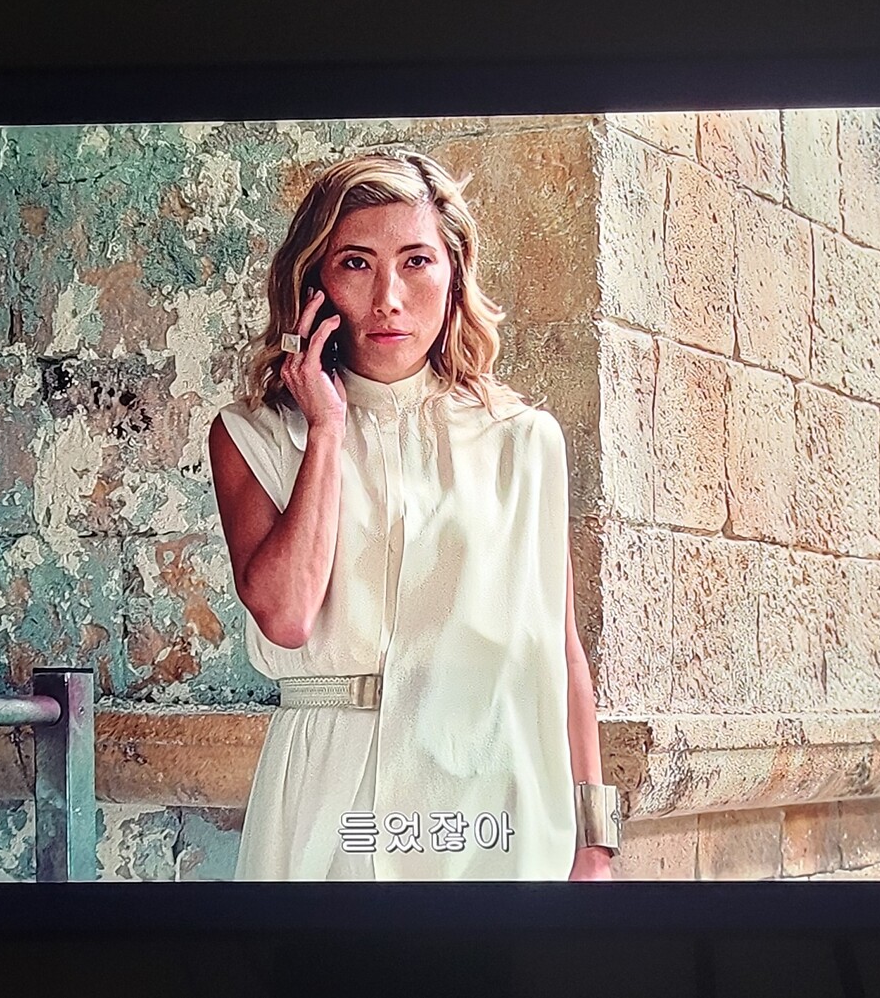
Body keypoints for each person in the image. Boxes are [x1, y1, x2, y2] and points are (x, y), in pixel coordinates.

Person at [207, 150, 620, 882]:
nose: (388, 298)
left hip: (492, 801)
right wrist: (325, 430)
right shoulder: (254, 435)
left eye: (416, 261)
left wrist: (595, 841)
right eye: (356, 264)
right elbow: (287, 616)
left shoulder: (523, 439)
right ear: (316, 282)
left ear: (453, 273)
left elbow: (560, 651)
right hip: (329, 787)